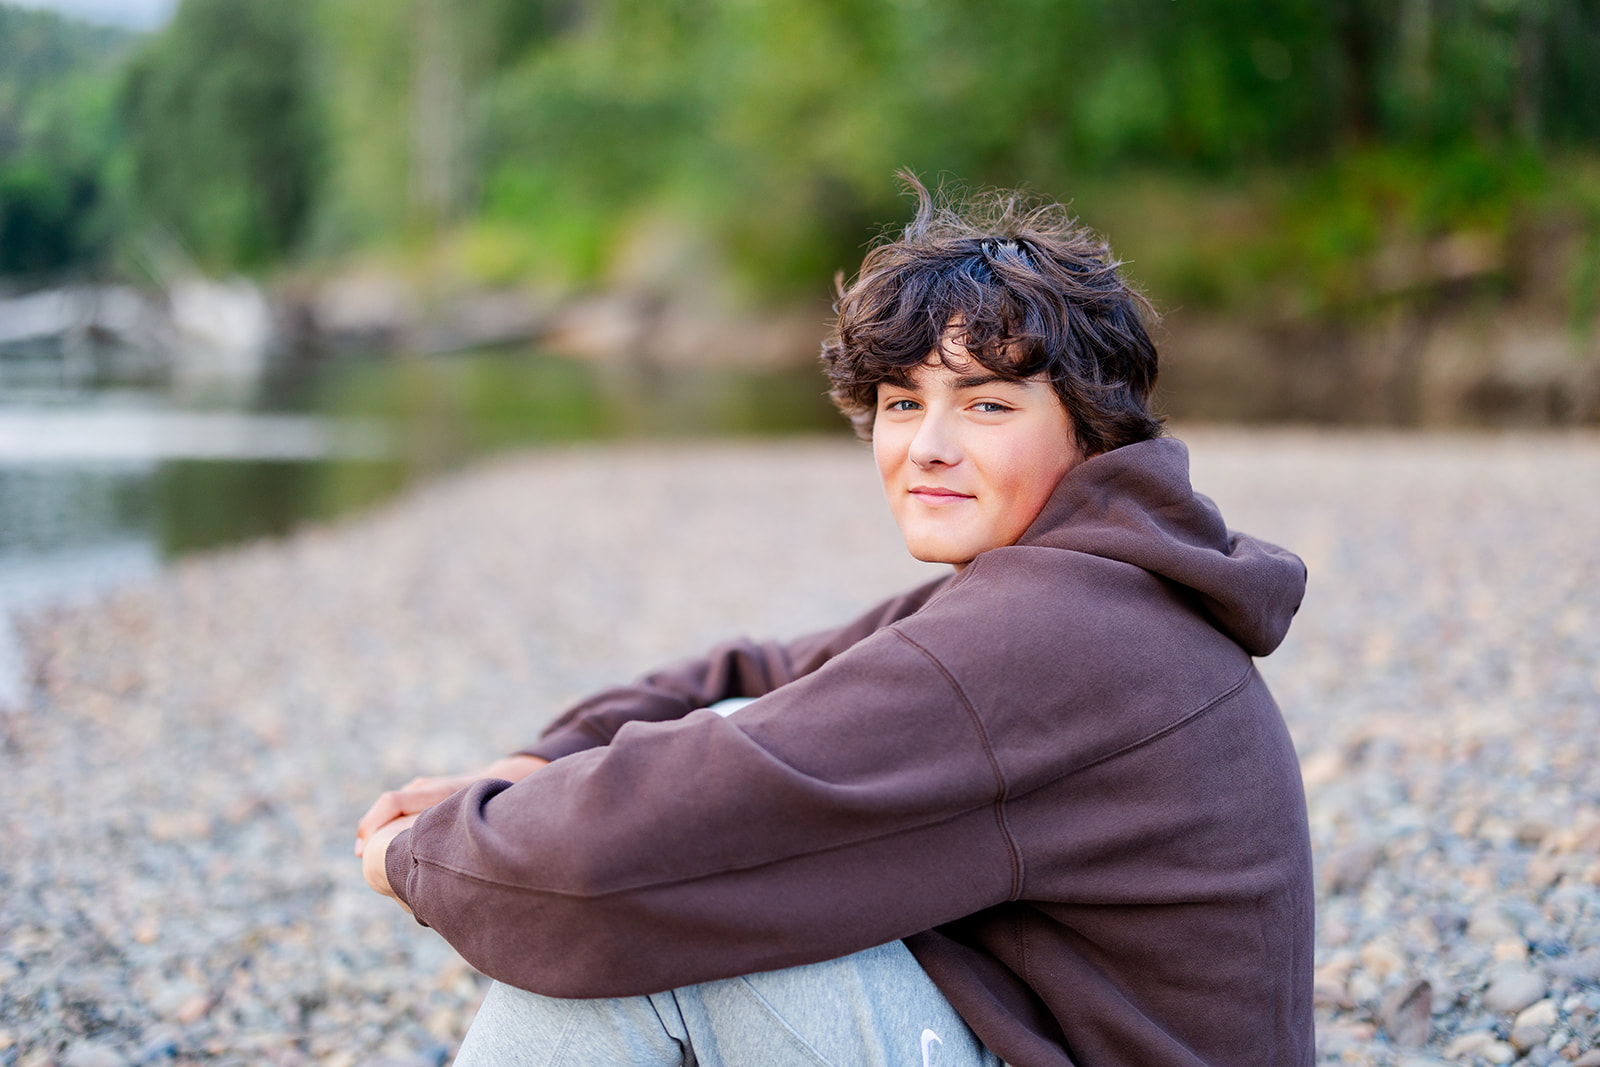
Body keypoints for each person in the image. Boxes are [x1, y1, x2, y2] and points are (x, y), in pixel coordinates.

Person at [355, 176, 1314, 1066]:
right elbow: (765, 672)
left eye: (985, 403)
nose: (928, 447)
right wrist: (536, 765)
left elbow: (647, 834)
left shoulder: (1057, 632)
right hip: (1045, 1027)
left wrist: (427, 850)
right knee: (712, 820)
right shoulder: (1095, 581)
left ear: (1089, 426)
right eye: (904, 401)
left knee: (650, 952)